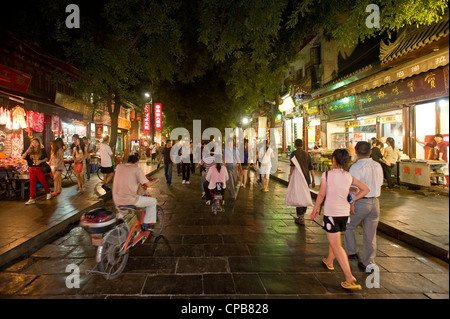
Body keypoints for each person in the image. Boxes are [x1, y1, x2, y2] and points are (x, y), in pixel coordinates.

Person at [310, 149, 370, 290]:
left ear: (334, 160)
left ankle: (349, 277)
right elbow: (365, 189)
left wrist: (314, 209)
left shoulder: (327, 175)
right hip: (344, 214)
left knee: (336, 245)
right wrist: (352, 199)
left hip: (331, 214)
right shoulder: (349, 176)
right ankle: (329, 261)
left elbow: (321, 195)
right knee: (335, 239)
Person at [345, 141, 384, 272]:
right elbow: (380, 183)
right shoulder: (378, 165)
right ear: (370, 152)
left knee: (348, 225)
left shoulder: (356, 167)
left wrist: (351, 202)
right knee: (370, 234)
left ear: (355, 151)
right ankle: (369, 263)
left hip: (361, 201)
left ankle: (352, 252)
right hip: (375, 202)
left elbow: (353, 188)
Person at [113, 155, 159, 231]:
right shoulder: (137, 169)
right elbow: (148, 184)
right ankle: (146, 224)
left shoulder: (119, 167)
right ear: (137, 162)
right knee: (153, 201)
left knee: (123, 214)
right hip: (130, 200)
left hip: (117, 200)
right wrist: (156, 180)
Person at [289, 139, 315, 225]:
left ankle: (300, 216)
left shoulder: (294, 153)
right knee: (305, 195)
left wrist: (290, 176)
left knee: (299, 196)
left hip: (298, 178)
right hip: (306, 178)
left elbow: (292, 167)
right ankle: (302, 214)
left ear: (295, 145)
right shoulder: (307, 154)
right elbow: (311, 168)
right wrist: (313, 180)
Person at [22, 138, 52, 204]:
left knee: (43, 182)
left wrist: (40, 161)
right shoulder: (30, 151)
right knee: (32, 184)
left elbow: (46, 158)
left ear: (38, 143)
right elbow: (23, 157)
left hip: (39, 168)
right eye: (33, 142)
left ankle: (48, 192)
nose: (34, 144)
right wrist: (28, 150)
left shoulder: (42, 150)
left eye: (35, 142)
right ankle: (31, 198)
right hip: (32, 169)